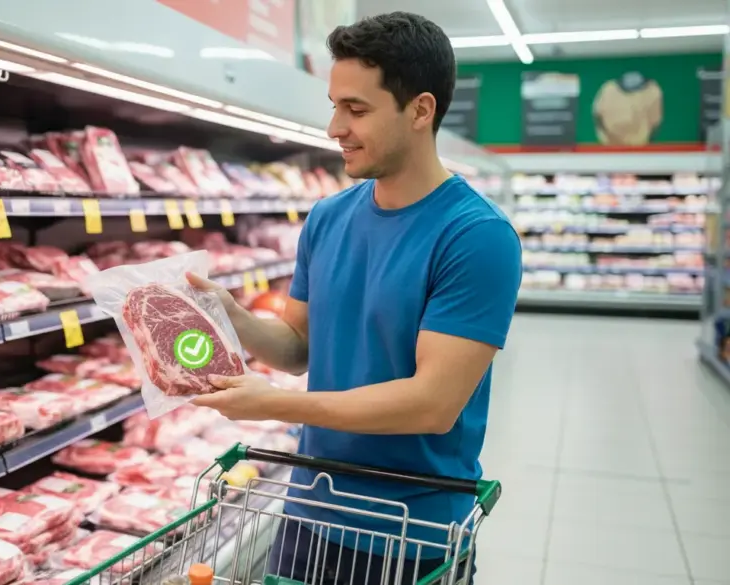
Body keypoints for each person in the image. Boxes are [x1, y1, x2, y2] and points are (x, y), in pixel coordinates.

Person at [188, 11, 522, 585]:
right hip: (309, 507)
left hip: (409, 527)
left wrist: (274, 405)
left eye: (357, 109)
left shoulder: (478, 236)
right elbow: (298, 348)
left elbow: (431, 404)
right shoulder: (327, 217)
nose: (334, 127)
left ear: (421, 110)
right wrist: (233, 316)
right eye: (335, 104)